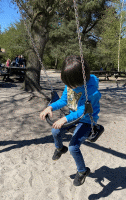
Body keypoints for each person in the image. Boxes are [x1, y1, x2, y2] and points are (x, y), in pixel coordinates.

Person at [40, 55, 101, 186]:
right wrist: (50, 107)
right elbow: (63, 100)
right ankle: (60, 148)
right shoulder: (70, 85)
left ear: (81, 79)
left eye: (71, 85)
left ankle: (82, 171)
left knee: (73, 147)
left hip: (86, 120)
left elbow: (81, 111)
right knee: (55, 131)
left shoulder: (91, 91)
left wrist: (65, 118)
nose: (69, 87)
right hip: (74, 116)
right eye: (67, 84)